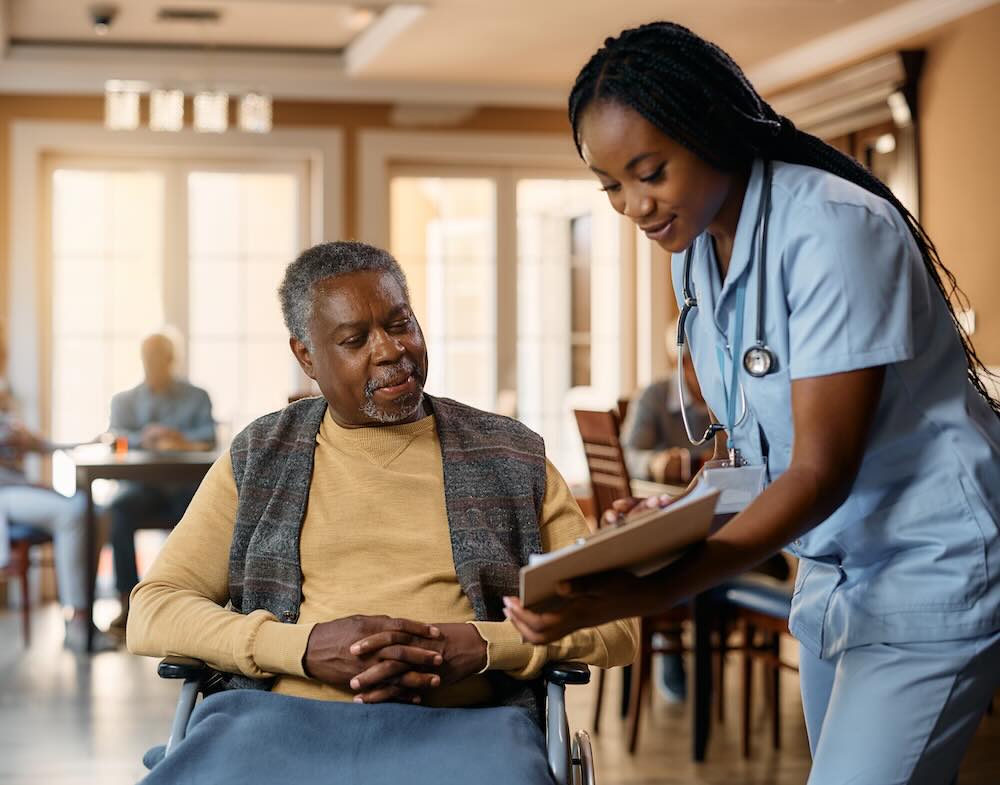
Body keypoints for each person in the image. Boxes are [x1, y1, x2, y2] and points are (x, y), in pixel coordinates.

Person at [505, 22, 1000, 785]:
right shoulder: (696, 256)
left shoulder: (833, 229)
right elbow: (752, 455)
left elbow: (818, 473)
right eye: (611, 186)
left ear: (710, 132)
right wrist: (667, 526)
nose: (634, 206)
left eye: (650, 172)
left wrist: (640, 591)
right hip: (833, 577)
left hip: (927, 570)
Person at [126, 241, 636, 784]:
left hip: (468, 723)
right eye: (355, 339)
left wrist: (485, 645)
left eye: (401, 324)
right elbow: (153, 609)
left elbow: (615, 620)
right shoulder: (260, 456)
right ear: (306, 357)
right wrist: (301, 649)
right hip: (277, 720)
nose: (392, 350)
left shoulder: (512, 454)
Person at [0, 326, 116, 652]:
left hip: (20, 490)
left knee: (98, 512)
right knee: (73, 513)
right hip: (4, 495)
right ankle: (78, 621)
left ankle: (82, 617)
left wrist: (87, 442)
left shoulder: (6, 399)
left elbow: (40, 444)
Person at [107, 330, 215, 635]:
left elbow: (208, 436)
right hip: (143, 490)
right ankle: (127, 603)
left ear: (171, 360)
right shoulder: (124, 400)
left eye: (160, 358)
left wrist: (178, 438)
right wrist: (144, 437)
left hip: (186, 490)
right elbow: (115, 438)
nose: (153, 364)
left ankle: (188, 606)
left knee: (203, 519)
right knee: (119, 511)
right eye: (148, 358)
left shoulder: (196, 396)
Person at [621, 332, 711, 485]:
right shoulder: (653, 397)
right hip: (667, 499)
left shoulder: (734, 397)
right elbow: (627, 457)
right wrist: (654, 464)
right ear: (685, 363)